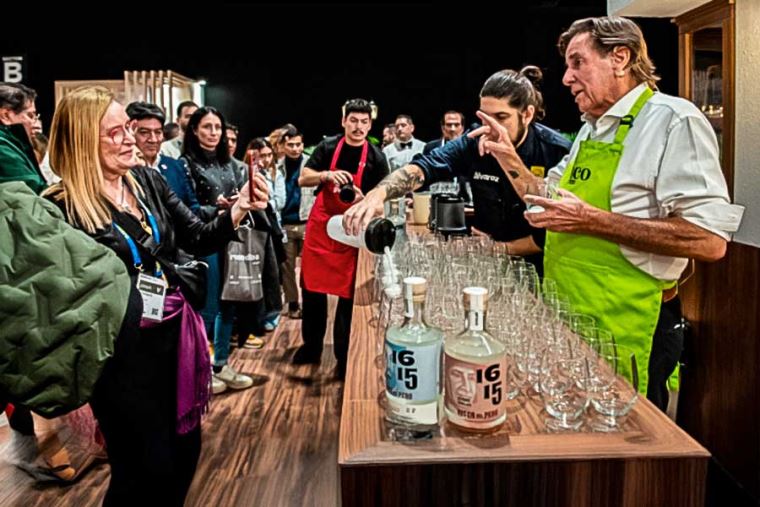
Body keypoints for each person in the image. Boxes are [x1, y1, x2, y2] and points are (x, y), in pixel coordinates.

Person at [474, 16, 744, 411]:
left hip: (627, 327)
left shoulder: (673, 120)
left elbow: (709, 240)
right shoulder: (592, 129)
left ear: (620, 58)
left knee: (622, 440)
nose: (566, 78)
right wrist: (507, 156)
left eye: (577, 63)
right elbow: (545, 198)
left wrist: (591, 220)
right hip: (570, 320)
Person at [42, 85, 269, 505]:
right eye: (116, 133)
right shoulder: (60, 209)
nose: (131, 139)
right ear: (81, 140)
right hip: (120, 360)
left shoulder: (145, 180)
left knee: (185, 454)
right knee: (140, 470)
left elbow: (197, 236)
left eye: (129, 128)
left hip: (174, 341)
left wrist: (239, 208)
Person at [344, 67, 571, 274]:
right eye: (485, 118)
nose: (490, 128)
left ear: (527, 114)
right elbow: (425, 166)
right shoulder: (473, 140)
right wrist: (379, 193)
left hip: (536, 269)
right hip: (486, 264)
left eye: (501, 118)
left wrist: (499, 248)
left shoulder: (554, 150)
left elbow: (555, 226)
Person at [294, 98, 389, 379]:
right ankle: (311, 346)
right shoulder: (327, 147)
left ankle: (343, 355)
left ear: (370, 125)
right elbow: (303, 178)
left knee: (348, 294)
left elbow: (384, 201)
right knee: (311, 289)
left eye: (364, 122)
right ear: (344, 121)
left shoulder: (376, 157)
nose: (358, 127)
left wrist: (365, 199)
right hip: (322, 225)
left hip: (352, 229)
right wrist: (326, 175)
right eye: (353, 120)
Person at [181, 106, 258, 393]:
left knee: (229, 302)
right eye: (207, 127)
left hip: (232, 237)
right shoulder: (185, 164)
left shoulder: (230, 163)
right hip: (205, 239)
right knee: (208, 306)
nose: (213, 133)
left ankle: (222, 363)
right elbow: (185, 209)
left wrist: (238, 203)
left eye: (217, 127)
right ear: (194, 130)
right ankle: (202, 369)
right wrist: (217, 208)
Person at [125, 101, 200, 214]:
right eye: (144, 132)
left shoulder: (176, 166)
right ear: (130, 133)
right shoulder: (124, 172)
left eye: (158, 132)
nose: (153, 139)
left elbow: (193, 209)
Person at [276, 126, 315, 320]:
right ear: (283, 146)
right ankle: (292, 303)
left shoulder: (310, 164)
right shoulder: (277, 167)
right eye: (290, 145)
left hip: (307, 221)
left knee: (310, 266)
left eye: (298, 144)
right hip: (285, 223)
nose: (295, 148)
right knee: (287, 267)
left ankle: (311, 302)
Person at [0, 82, 46, 192]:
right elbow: (33, 190)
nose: (34, 123)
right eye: (30, 115)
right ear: (5, 116)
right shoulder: (3, 148)